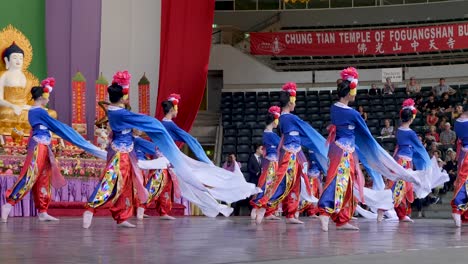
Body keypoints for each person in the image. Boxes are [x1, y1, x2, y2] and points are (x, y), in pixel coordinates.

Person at [83, 71, 259, 228]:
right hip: (121, 154)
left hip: (129, 152)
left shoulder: (119, 112)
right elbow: (143, 123)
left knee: (133, 185)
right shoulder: (120, 113)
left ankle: (123, 216)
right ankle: (91, 208)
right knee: (114, 181)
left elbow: (134, 127)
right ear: (123, 96)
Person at [318, 68, 428, 232]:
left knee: (348, 183)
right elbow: (365, 134)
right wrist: (376, 151)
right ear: (349, 92)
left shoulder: (334, 108)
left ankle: (341, 219)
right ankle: (325, 213)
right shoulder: (353, 114)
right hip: (343, 152)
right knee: (338, 181)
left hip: (339, 149)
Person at [1, 77, 106, 222]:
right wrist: (72, 134)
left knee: (44, 177)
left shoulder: (39, 111)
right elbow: (56, 125)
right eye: (47, 97)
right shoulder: (38, 112)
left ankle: (43, 210)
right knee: (31, 174)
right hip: (38, 145)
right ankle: (9, 203)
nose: (48, 100)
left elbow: (54, 125)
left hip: (45, 144)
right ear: (42, 97)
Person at [377, 99, 426, 223]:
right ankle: (382, 209)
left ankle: (401, 214)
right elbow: (419, 146)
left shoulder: (399, 130)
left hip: (401, 160)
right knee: (397, 187)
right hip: (403, 162)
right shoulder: (410, 133)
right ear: (411, 118)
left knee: (402, 188)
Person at [250, 106, 283, 224]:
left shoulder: (266, 133)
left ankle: (260, 209)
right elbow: (282, 144)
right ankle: (261, 209)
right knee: (268, 186)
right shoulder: (271, 135)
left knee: (264, 184)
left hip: (269, 162)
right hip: (271, 163)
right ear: (275, 120)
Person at [451, 103, 468, 227]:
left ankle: (459, 209)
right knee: (464, 181)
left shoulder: (457, 122)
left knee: (462, 180)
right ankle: (457, 206)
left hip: (463, 154)